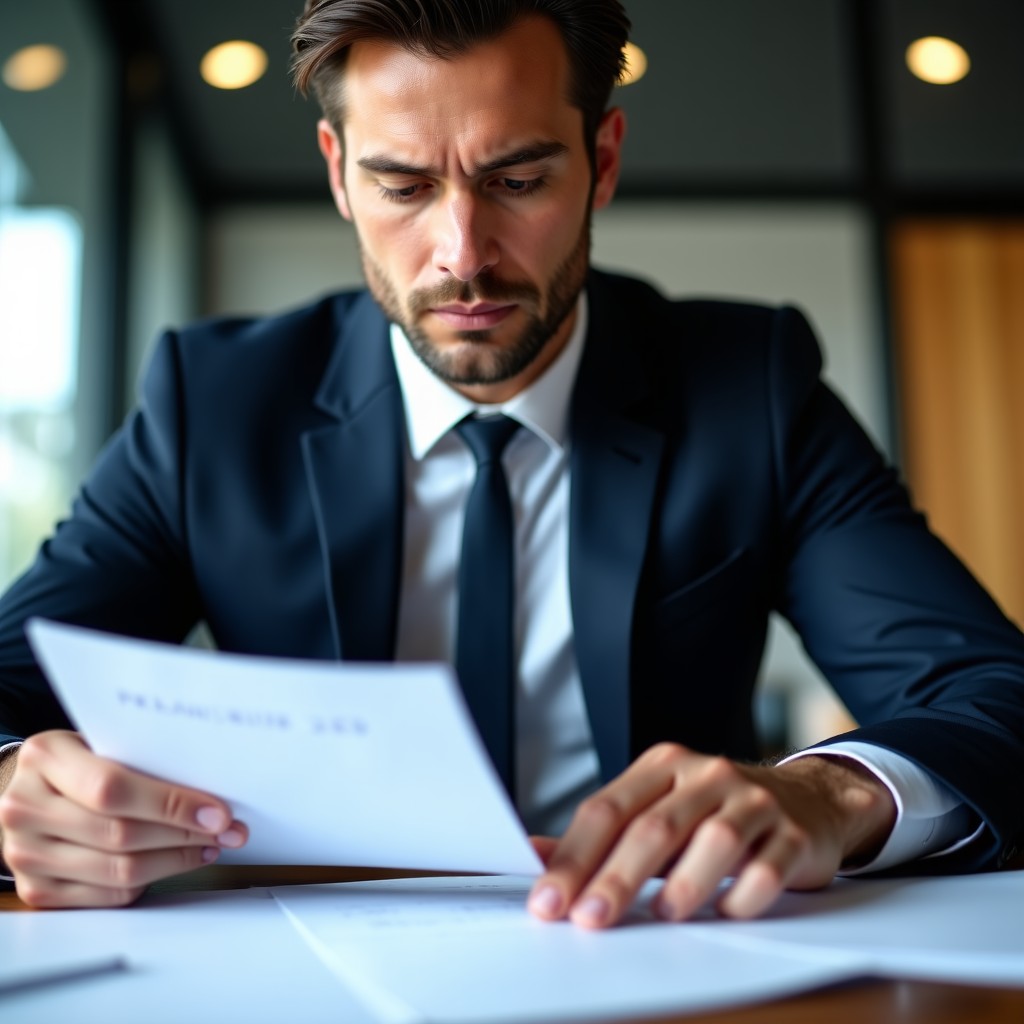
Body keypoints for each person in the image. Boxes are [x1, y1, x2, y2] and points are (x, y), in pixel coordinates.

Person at [1, 0, 1023, 927]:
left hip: (656, 952)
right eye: (402, 185)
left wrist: (828, 794)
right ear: (338, 173)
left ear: (603, 161)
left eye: (518, 180)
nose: (463, 254)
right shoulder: (213, 404)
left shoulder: (749, 389)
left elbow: (992, 693)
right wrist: (17, 790)